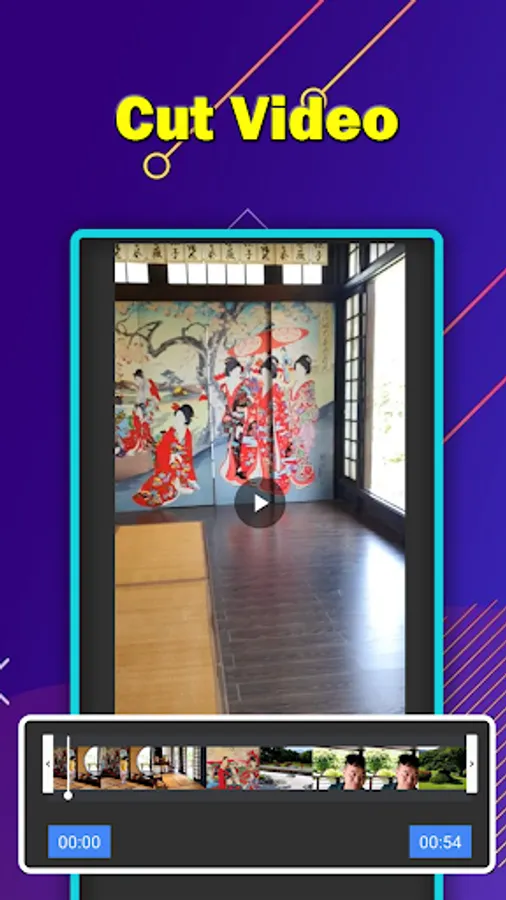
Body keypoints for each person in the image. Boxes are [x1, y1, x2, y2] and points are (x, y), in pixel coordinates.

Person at [133, 404, 199, 507]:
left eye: (180, 417)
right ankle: (172, 486)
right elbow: (162, 448)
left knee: (179, 476)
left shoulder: (187, 434)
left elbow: (188, 452)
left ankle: (177, 484)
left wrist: (179, 457)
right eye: (177, 416)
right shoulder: (170, 433)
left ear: (186, 419)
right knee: (163, 478)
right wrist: (170, 455)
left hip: (181, 462)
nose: (177, 419)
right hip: (168, 463)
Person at [248, 356, 291, 494]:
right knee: (264, 456)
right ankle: (267, 481)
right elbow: (256, 409)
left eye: (267, 373)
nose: (264, 376)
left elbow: (281, 411)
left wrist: (274, 425)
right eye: (263, 373)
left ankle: (278, 483)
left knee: (275, 457)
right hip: (262, 430)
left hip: (274, 431)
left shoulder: (276, 390)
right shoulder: (260, 391)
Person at [217, 357, 255, 483]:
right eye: (235, 371)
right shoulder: (224, 386)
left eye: (239, 371)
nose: (238, 374)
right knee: (231, 444)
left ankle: (239, 469)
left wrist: (240, 421)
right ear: (230, 371)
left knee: (238, 444)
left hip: (240, 419)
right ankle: (233, 468)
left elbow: (247, 403)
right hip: (228, 419)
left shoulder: (243, 387)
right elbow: (222, 404)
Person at [289, 354, 319, 488]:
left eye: (301, 368)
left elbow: (312, 406)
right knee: (294, 449)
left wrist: (301, 416)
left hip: (302, 424)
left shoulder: (308, 386)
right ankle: (297, 473)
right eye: (296, 368)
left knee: (302, 449)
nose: (298, 371)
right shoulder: (294, 384)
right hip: (292, 422)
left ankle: (304, 475)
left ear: (306, 370)